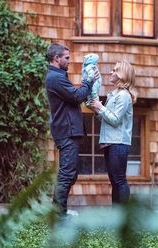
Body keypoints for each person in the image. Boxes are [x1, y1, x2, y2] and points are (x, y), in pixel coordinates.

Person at [45, 43, 98, 216]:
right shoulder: (55, 78)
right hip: (66, 132)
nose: (69, 60)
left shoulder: (58, 76)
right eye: (66, 58)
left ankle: (59, 212)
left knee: (70, 173)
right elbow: (76, 97)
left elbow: (73, 97)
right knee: (67, 174)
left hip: (69, 132)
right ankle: (58, 216)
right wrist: (88, 81)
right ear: (56, 58)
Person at [90, 61, 138, 204]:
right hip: (110, 142)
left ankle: (123, 218)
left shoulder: (124, 95)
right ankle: (116, 218)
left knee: (119, 180)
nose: (111, 73)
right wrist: (96, 109)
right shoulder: (114, 94)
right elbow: (108, 119)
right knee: (114, 180)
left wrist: (100, 107)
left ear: (122, 75)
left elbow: (116, 119)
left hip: (118, 143)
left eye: (114, 71)